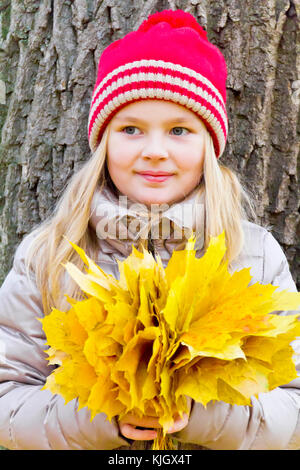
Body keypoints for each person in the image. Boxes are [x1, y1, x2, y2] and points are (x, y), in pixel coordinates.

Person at [0, 9, 299, 451]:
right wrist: (102, 418)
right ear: (104, 141)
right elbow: (7, 398)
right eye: (131, 129)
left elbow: (292, 406)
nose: (155, 151)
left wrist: (203, 412)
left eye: (179, 130)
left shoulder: (252, 253)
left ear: (208, 145)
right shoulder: (50, 254)